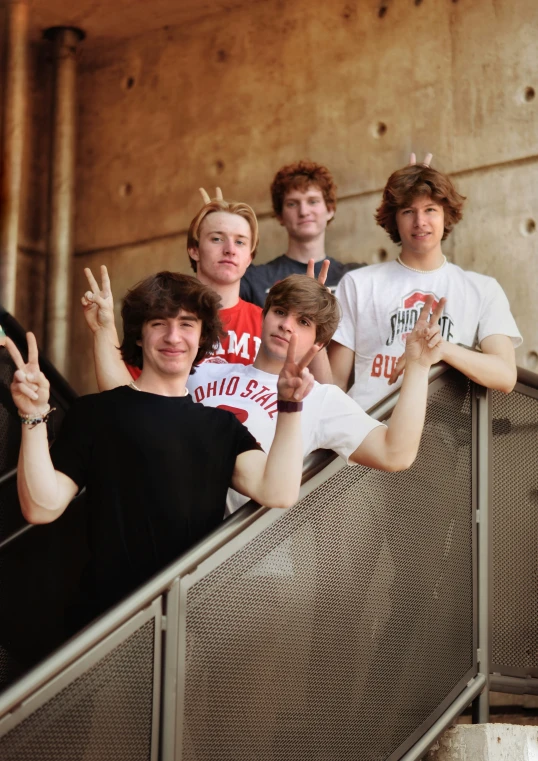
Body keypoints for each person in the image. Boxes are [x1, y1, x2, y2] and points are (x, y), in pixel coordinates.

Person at [5, 272, 316, 629]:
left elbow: (277, 491)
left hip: (192, 626)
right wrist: (32, 416)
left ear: (202, 337)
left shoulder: (220, 426)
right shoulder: (95, 413)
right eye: (159, 323)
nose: (173, 337)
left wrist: (290, 405)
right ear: (139, 333)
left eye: (187, 324)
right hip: (104, 628)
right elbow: (41, 507)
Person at [84, 268, 445, 515]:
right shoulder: (205, 368)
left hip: (254, 559)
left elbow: (395, 453)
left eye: (303, 322)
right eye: (281, 312)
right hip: (180, 539)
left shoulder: (320, 398)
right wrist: (103, 329)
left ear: (319, 343)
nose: (287, 325)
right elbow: (128, 404)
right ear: (263, 314)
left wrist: (417, 365)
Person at [328, 163, 522, 410]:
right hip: (366, 431)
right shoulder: (358, 283)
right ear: (394, 220)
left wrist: (443, 349)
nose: (420, 221)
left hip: (438, 440)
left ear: (446, 215)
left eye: (430, 209)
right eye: (408, 211)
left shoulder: (482, 289)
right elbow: (335, 383)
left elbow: (505, 375)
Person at [82, 197, 263, 389]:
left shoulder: (269, 324)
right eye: (217, 239)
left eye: (240, 242)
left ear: (250, 256)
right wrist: (104, 330)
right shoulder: (160, 318)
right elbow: (124, 400)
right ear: (194, 250)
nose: (230, 250)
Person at [239, 160, 365, 307]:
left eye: (313, 201)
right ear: (280, 215)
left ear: (330, 210)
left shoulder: (355, 276)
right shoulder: (254, 279)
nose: (304, 212)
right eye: (292, 204)